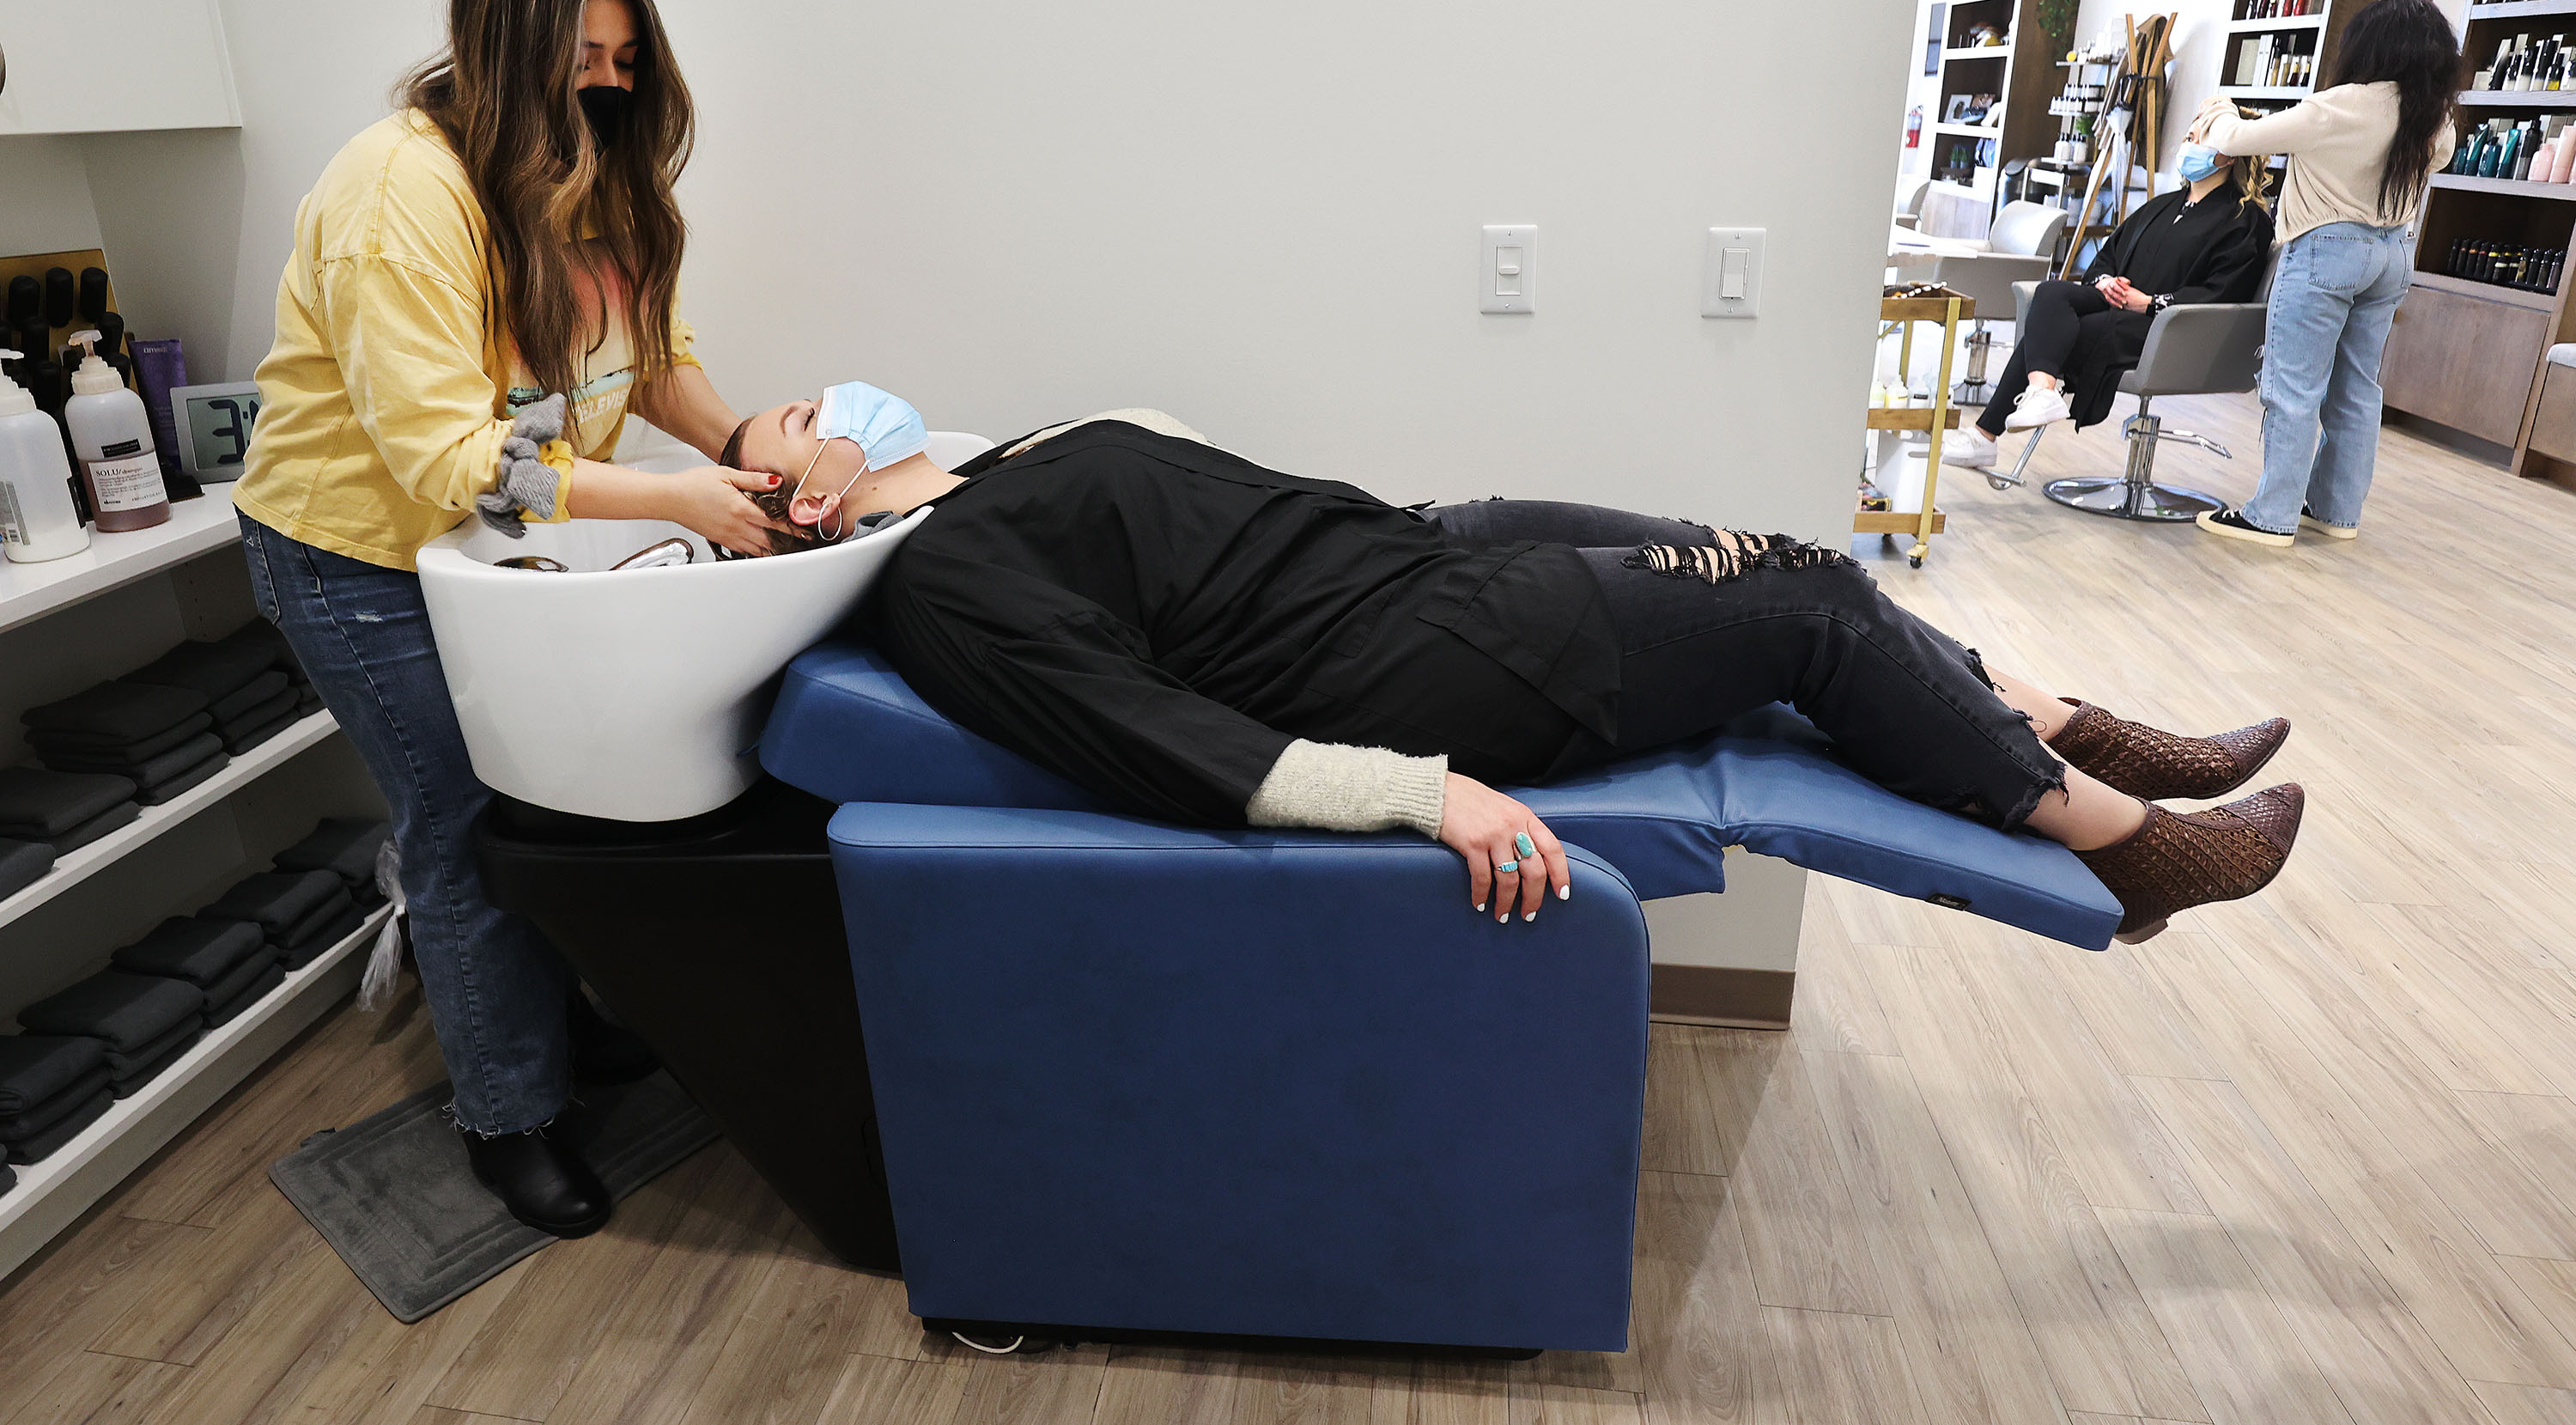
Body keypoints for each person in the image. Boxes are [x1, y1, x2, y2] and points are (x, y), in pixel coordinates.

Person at [720, 391, 2304, 945]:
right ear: (789, 500)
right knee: (1812, 600)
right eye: (784, 422)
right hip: (1408, 658)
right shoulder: (948, 585)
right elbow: (1153, 736)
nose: (815, 399)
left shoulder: (982, 471)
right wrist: (1430, 795)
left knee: (1750, 551)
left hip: (1415, 551)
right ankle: (2134, 845)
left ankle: (2069, 722)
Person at [233, 0, 793, 1239]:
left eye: (624, 59)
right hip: (355, 555)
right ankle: (508, 1113)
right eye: (583, 57)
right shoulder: (400, 193)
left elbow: (640, 347)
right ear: (504, 42)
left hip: (489, 547)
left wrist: (749, 447)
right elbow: (445, 456)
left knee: (547, 804)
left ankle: (558, 1031)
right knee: (470, 830)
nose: (607, 84)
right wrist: (675, 499)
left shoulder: (587, 173)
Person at [2186, 0, 2459, 545]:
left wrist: (2219, 109)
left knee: (2292, 387)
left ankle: (2272, 516)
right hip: (2391, 255)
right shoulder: (2436, 119)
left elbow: (2235, 141)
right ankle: (2335, 512)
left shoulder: (2338, 106)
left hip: (2326, 251)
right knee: (2358, 389)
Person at [1942, 149, 2274, 471]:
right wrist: (2104, 281)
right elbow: (2108, 254)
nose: (2189, 146)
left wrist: (2150, 303)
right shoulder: (2163, 206)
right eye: (2188, 136)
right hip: (2120, 306)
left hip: (2174, 329)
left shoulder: (2246, 221)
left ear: (2228, 155)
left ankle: (1986, 433)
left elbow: (2225, 292)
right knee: (2051, 294)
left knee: (2062, 333)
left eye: (2200, 138)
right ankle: (2041, 392)